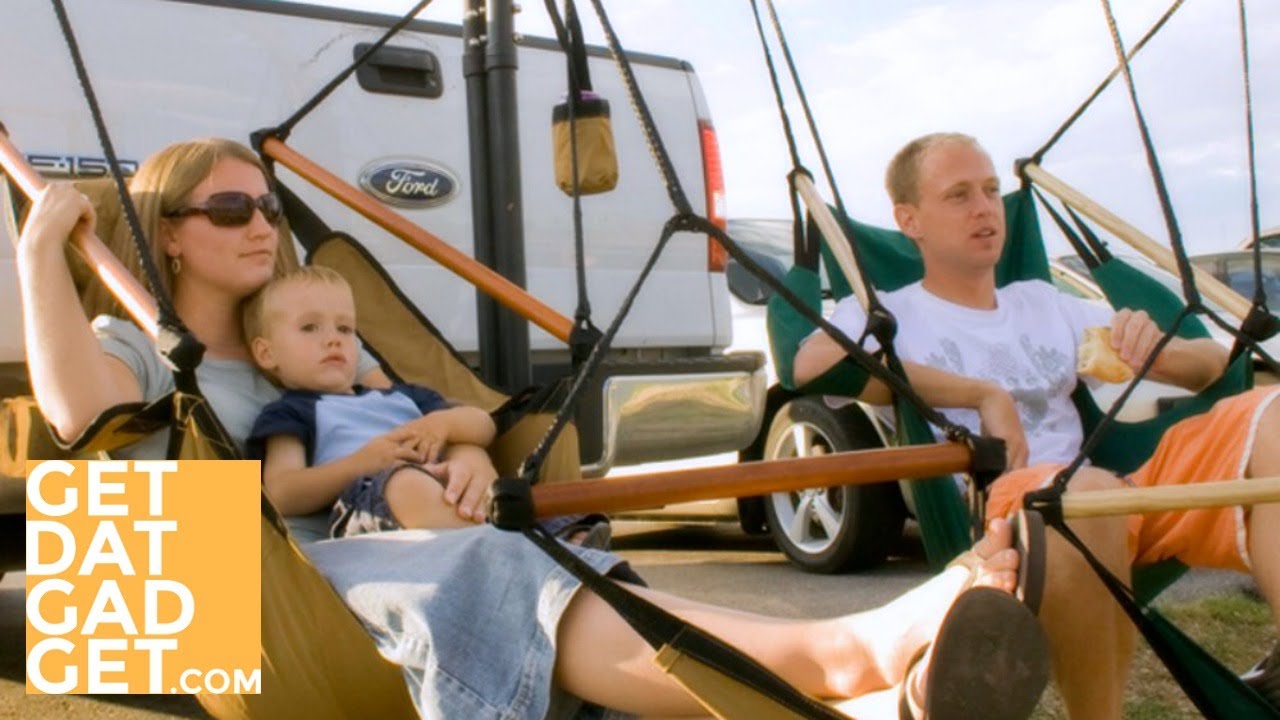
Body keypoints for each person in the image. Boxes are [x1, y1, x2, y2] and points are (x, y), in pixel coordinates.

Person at [17, 137, 1049, 719]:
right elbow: (78, 415)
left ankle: (860, 699)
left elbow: (432, 414)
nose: (263, 226)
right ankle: (837, 660)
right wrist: (38, 260)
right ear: (169, 237)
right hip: (214, 592)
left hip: (355, 570)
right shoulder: (136, 346)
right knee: (483, 574)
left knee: (566, 571)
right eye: (232, 210)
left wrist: (466, 449)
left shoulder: (316, 342)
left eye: (267, 210)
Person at [793, 131, 1280, 719]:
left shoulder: (1045, 303)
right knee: (1085, 494)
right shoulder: (891, 311)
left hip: (1116, 500)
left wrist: (1155, 349)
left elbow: (1212, 366)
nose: (985, 208)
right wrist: (980, 394)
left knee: (1271, 415)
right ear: (910, 220)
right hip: (1009, 517)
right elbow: (811, 364)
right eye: (959, 195)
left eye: (993, 191)